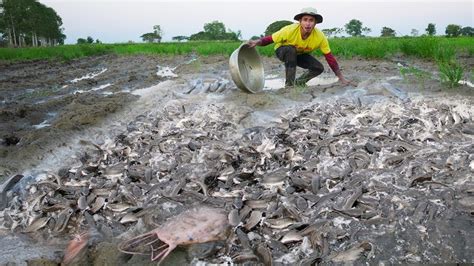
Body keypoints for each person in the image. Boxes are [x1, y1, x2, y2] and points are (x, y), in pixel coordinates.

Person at [248, 7, 352, 88]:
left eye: (311, 20)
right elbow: (270, 39)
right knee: (290, 50)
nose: (308, 23)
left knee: (318, 68)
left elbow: (329, 57)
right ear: (300, 21)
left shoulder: (320, 37)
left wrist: (341, 78)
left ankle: (299, 83)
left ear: (315, 23)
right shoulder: (289, 30)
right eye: (305, 20)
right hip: (283, 51)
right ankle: (289, 85)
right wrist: (257, 42)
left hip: (299, 55)